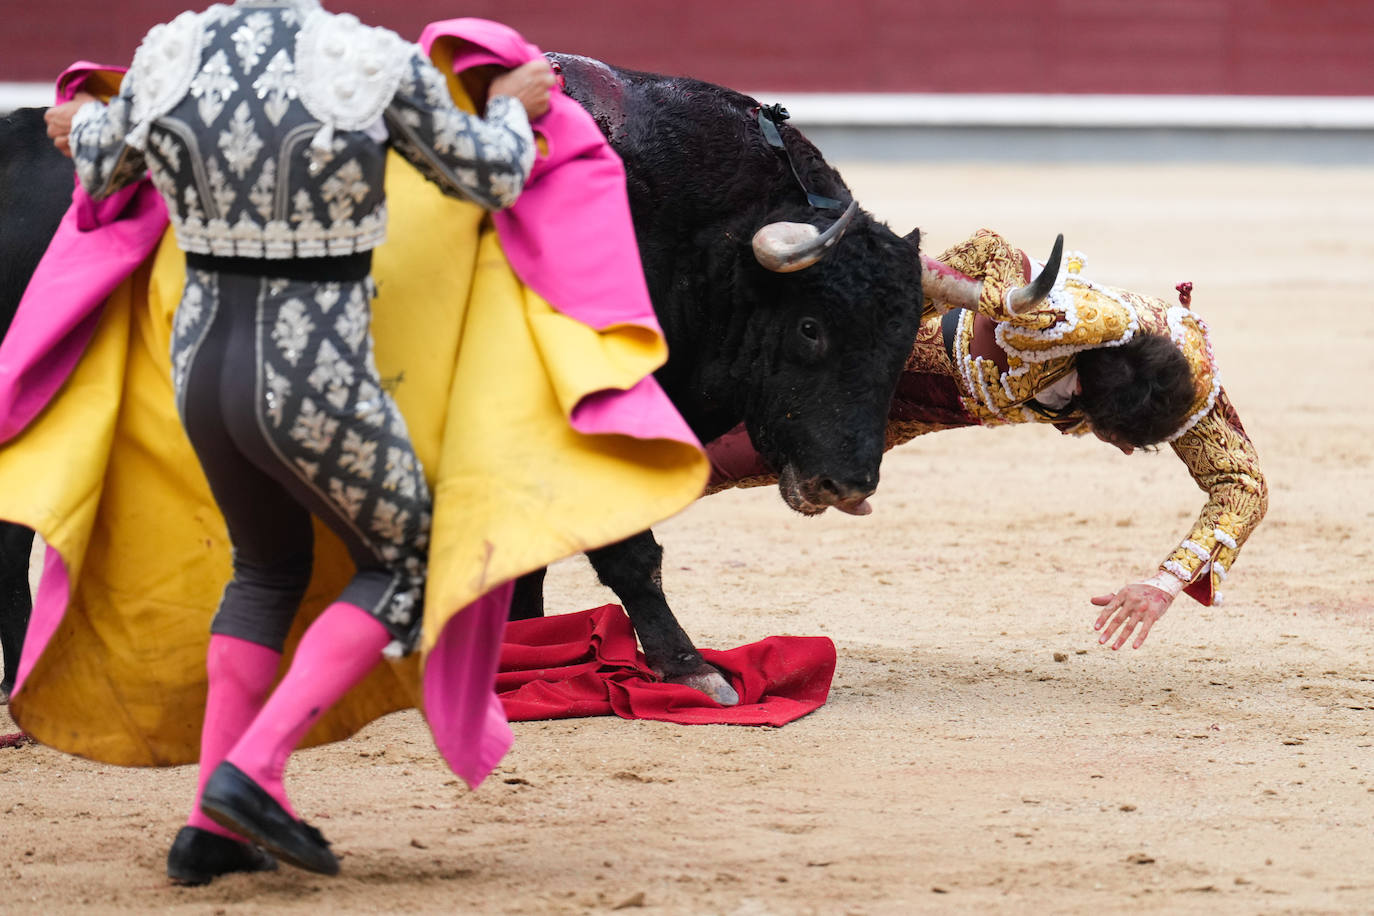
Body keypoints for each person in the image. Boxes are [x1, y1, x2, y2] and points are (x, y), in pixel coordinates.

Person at [43, 0, 556, 884]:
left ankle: (213, 824)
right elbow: (495, 174)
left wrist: (81, 117)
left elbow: (96, 164)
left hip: (201, 364)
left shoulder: (171, 53)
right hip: (311, 368)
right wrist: (512, 100)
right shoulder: (364, 58)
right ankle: (254, 770)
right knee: (412, 560)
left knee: (265, 569)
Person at [707, 228, 1267, 651]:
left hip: (940, 409)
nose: (1121, 450)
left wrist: (1164, 583)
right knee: (731, 422)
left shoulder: (1194, 390)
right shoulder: (1060, 322)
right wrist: (868, 350)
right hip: (914, 352)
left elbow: (1242, 486)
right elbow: (989, 248)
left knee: (754, 465)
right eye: (1110, 434)